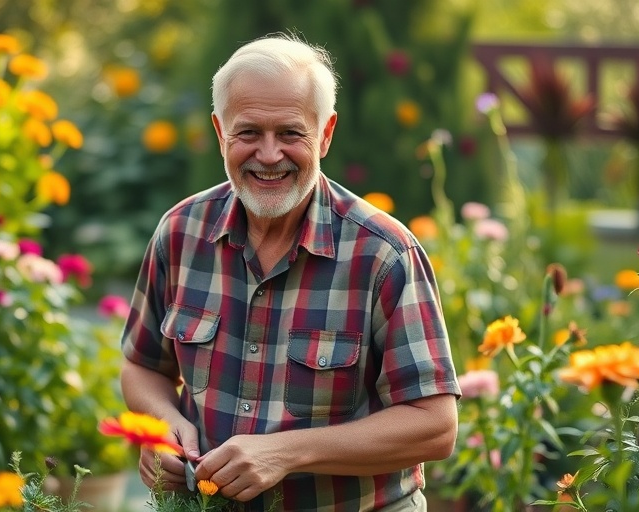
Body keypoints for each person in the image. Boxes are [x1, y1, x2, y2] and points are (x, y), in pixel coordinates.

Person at [119, 32, 461, 511]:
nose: (269, 154)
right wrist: (161, 428)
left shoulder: (384, 253)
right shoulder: (180, 232)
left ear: (325, 133)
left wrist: (287, 453)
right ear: (221, 132)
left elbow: (435, 426)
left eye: (291, 133)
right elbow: (142, 365)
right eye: (249, 133)